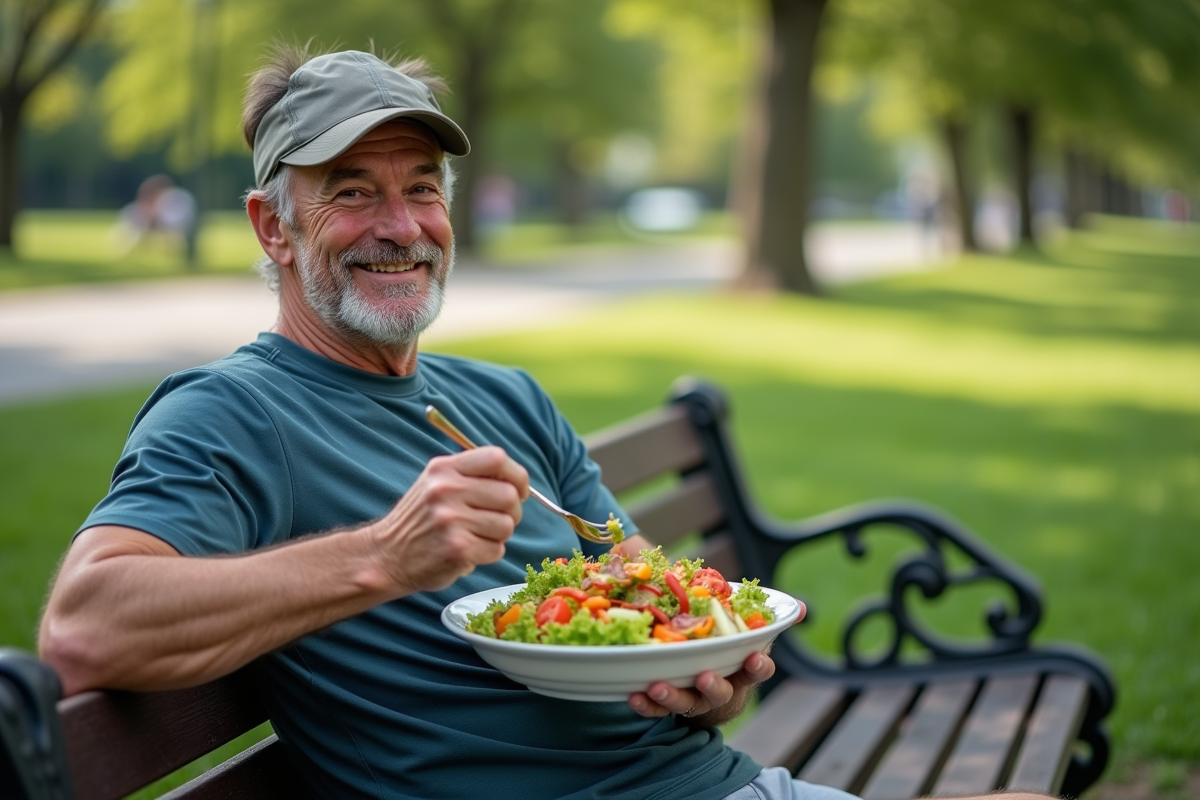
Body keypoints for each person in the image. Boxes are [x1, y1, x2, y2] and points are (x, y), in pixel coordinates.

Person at [37, 46, 1058, 800]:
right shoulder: (229, 414)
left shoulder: (509, 398)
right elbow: (84, 626)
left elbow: (661, 601)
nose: (401, 226)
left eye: (421, 188)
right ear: (274, 226)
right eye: (352, 192)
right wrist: (383, 557)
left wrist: (709, 681)